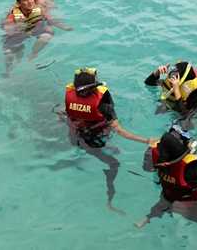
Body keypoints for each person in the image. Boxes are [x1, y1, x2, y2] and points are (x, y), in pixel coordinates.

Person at [65, 67, 157, 208]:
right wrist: (147, 140)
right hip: (96, 141)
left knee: (109, 150)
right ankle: (110, 200)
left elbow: (69, 117)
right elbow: (120, 131)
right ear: (93, 86)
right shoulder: (103, 104)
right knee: (115, 164)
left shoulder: (70, 95)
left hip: (75, 137)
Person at [2, 0, 54, 75]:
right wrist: (16, 27)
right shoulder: (12, 16)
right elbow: (7, 29)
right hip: (17, 36)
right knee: (10, 54)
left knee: (46, 36)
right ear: (19, 4)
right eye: (25, 0)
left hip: (32, 32)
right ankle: (8, 72)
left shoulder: (39, 10)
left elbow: (50, 21)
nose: (30, 2)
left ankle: (33, 54)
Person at [144, 61, 197, 126]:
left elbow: (185, 114)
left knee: (181, 125)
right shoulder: (170, 81)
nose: (171, 80)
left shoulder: (194, 91)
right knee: (158, 113)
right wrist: (157, 72)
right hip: (169, 104)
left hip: (185, 113)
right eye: (171, 75)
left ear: (181, 81)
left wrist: (176, 90)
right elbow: (148, 83)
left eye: (175, 77)